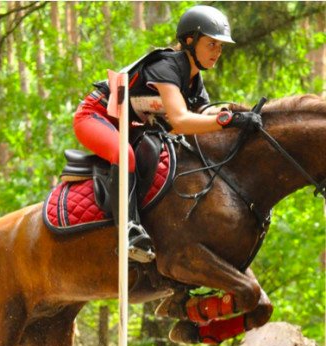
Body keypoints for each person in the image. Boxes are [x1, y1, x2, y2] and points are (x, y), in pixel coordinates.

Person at [73, 5, 262, 263]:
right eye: (211, 44)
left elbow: (203, 115)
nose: (217, 52)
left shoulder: (195, 80)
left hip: (131, 126)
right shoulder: (166, 66)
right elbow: (181, 121)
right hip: (95, 117)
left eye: (220, 46)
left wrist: (238, 115)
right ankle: (128, 230)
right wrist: (227, 121)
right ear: (189, 41)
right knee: (124, 154)